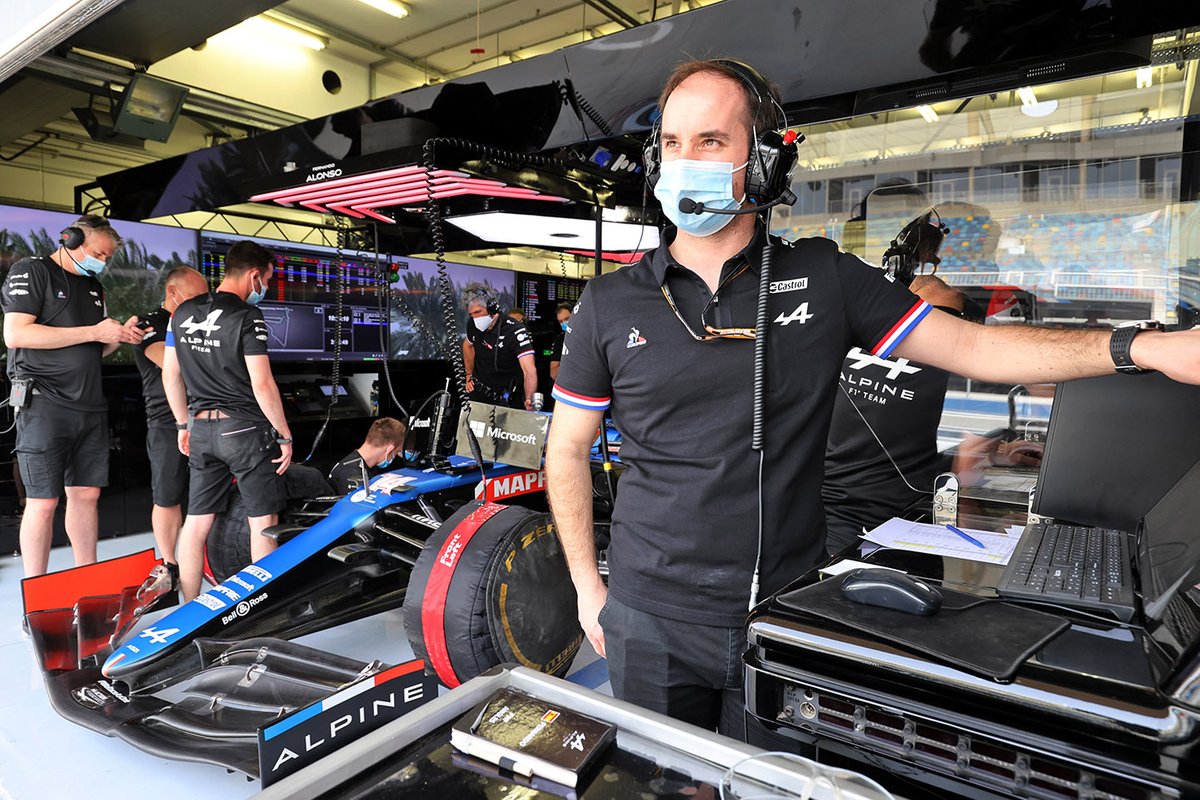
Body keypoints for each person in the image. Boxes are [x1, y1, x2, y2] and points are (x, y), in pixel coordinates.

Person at [544, 58, 1200, 739]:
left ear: (764, 161)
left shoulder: (825, 278)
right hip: (646, 618)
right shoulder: (609, 301)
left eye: (711, 141)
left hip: (783, 612)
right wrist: (590, 590)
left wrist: (1145, 347)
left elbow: (976, 349)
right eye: (673, 144)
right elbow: (566, 449)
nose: (687, 160)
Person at [1, 215, 146, 577]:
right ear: (71, 239)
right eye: (99, 253)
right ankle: (36, 594)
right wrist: (93, 331)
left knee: (86, 496)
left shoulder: (94, 285)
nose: (104, 262)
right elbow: (17, 335)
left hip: (90, 406)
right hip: (44, 405)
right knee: (43, 502)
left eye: (109, 257)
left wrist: (116, 336)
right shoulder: (31, 270)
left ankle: (88, 583)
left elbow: (93, 348)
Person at [162, 241, 293, 602]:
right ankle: (259, 608)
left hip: (200, 430)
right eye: (267, 278)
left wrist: (182, 425)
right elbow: (262, 384)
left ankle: (188, 609)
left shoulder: (181, 313)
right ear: (254, 275)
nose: (265, 286)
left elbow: (170, 376)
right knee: (262, 522)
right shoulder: (248, 317)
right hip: (244, 430)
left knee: (196, 522)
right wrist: (284, 434)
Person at [822, 273, 967, 555]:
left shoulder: (850, 336)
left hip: (827, 521)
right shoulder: (946, 354)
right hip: (894, 528)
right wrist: (990, 452)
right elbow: (963, 462)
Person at [133, 266, 209, 581]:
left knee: (207, 495)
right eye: (194, 298)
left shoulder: (202, 323)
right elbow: (170, 363)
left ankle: (207, 559)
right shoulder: (147, 324)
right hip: (167, 421)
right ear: (172, 292)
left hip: (206, 415)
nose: (200, 305)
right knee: (167, 495)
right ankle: (170, 564)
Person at [462, 285, 538, 410]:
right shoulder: (472, 325)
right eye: (472, 314)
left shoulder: (515, 329)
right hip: (480, 392)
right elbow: (467, 345)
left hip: (507, 396)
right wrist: (469, 374)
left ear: (492, 308)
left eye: (478, 312)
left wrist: (529, 398)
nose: (475, 318)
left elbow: (529, 369)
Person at [328, 416, 408, 494]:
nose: (396, 456)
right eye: (397, 452)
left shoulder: (367, 466)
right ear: (389, 450)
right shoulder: (351, 476)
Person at [549, 302, 573, 382]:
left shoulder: (590, 335)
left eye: (567, 319)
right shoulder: (560, 340)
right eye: (561, 321)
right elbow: (553, 373)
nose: (564, 323)